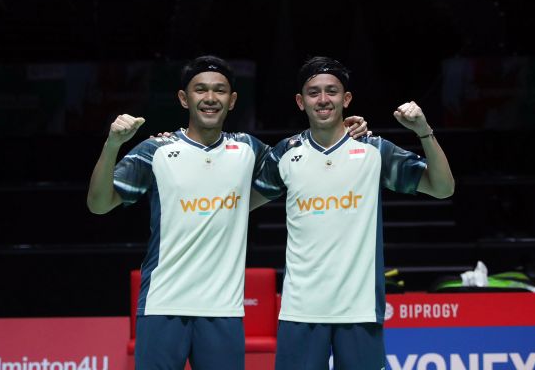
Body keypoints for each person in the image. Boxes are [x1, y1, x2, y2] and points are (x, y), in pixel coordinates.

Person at [86, 55, 369, 370]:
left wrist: (344, 129)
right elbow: (99, 204)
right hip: (161, 304)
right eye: (200, 89)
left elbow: (305, 155)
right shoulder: (156, 151)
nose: (210, 98)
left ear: (232, 100)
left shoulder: (249, 149)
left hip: (223, 310)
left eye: (219, 90)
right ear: (184, 98)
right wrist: (113, 144)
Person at [252, 56, 455, 370]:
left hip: (359, 309)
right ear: (300, 101)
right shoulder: (286, 154)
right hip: (301, 309)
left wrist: (423, 131)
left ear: (346, 99)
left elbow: (442, 188)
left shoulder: (374, 150)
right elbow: (237, 205)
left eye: (331, 91)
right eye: (314, 92)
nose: (323, 99)